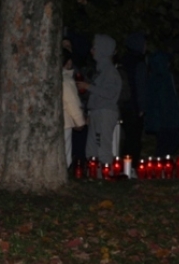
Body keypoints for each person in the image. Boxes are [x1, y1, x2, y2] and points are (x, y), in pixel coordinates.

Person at [77, 34, 121, 171]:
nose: (92, 51)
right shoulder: (101, 71)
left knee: (103, 148)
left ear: (103, 50)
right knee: (92, 150)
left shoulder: (110, 71)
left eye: (95, 48)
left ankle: (106, 175)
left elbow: (109, 93)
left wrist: (88, 87)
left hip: (105, 113)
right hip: (98, 112)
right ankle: (95, 175)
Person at [143, 50, 179, 156]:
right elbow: (165, 100)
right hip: (165, 120)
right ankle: (159, 163)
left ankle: (161, 163)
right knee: (169, 143)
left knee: (165, 144)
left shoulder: (156, 77)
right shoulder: (162, 78)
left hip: (162, 119)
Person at [120, 32, 148, 161]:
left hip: (123, 103)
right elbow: (141, 86)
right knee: (134, 139)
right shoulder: (139, 63)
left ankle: (125, 163)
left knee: (128, 137)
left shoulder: (123, 61)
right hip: (134, 106)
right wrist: (142, 107)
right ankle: (132, 165)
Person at [62, 49, 86, 166]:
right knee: (64, 154)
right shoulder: (65, 80)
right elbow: (72, 102)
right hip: (64, 122)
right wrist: (79, 122)